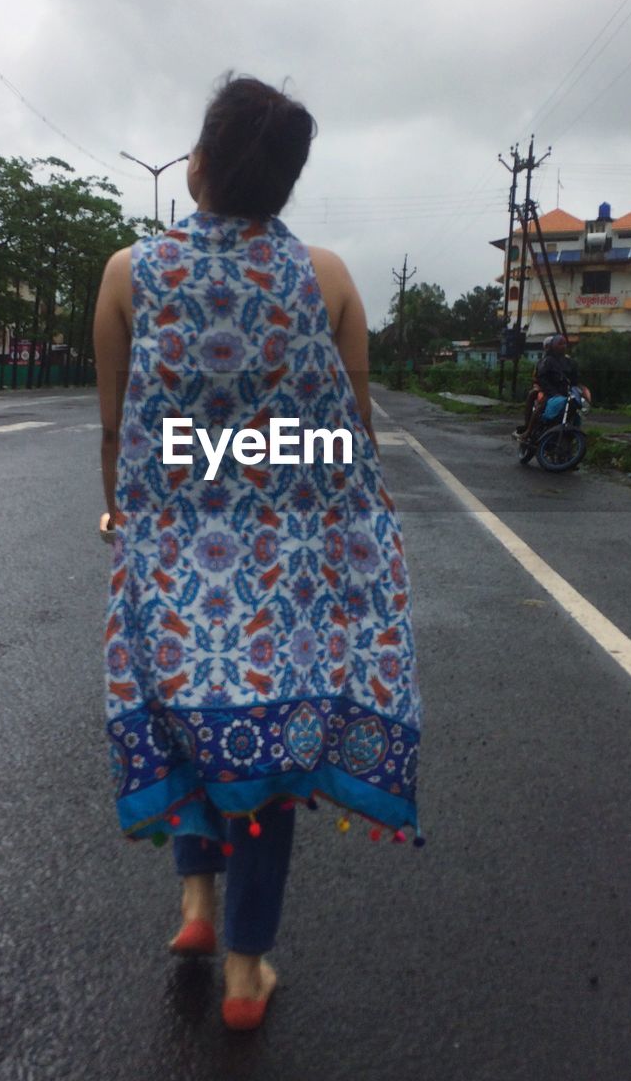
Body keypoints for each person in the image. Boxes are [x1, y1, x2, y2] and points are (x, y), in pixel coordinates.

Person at [93, 73, 422, 1031]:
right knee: (265, 750)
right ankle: (244, 971)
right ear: (286, 183)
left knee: (188, 729)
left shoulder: (127, 273)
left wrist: (127, 522)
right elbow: (347, 441)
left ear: (195, 165)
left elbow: (118, 432)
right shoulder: (329, 278)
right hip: (285, 579)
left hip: (167, 562)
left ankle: (194, 905)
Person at [518, 333, 579, 437]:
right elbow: (542, 378)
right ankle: (528, 430)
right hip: (550, 391)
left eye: (564, 343)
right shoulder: (546, 361)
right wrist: (552, 392)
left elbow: (574, 377)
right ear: (553, 346)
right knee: (542, 403)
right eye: (560, 344)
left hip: (564, 392)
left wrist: (576, 389)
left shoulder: (569, 361)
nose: (563, 346)